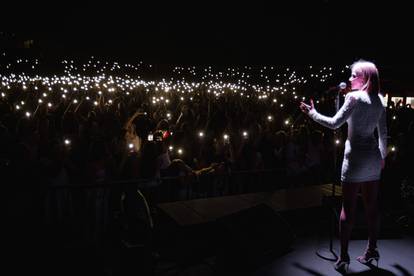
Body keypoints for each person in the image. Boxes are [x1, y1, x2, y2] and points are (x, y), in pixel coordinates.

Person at [300, 60, 387, 272]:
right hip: (373, 159)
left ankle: (344, 257)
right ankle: (372, 249)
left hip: (355, 159)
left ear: (364, 78)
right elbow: (383, 134)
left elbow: (334, 124)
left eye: (353, 75)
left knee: (347, 209)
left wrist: (312, 113)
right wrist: (382, 158)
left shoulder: (353, 97)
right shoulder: (380, 99)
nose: (349, 79)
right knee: (372, 206)